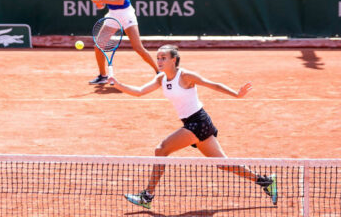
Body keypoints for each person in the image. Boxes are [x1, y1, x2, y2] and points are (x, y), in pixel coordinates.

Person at [108, 45, 277, 209]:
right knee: (223, 164)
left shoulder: (186, 76)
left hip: (198, 122)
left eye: (163, 58)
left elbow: (213, 84)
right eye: (158, 58)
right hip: (195, 124)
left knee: (161, 150)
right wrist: (118, 85)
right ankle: (265, 181)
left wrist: (236, 94)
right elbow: (139, 91)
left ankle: (147, 196)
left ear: (173, 60)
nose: (159, 61)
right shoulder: (161, 78)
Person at [89, 0, 158, 84]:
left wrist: (101, 0)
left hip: (126, 14)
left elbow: (120, 1)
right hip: (112, 15)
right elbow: (102, 6)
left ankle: (159, 72)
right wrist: (97, 3)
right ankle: (103, 76)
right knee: (98, 46)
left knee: (138, 47)